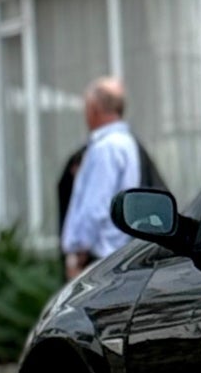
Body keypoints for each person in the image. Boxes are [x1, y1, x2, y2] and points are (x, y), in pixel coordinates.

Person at [61, 79, 145, 277]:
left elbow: (96, 206)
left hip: (96, 258)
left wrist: (79, 254)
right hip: (115, 253)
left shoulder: (105, 148)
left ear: (95, 109)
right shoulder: (126, 142)